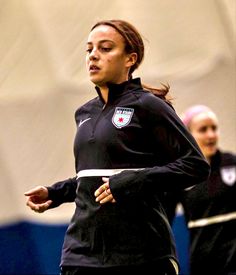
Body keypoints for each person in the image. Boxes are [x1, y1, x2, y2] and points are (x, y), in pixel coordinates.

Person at [24, 20, 210, 275]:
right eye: (89, 49)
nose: (93, 56)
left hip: (141, 254)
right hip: (81, 254)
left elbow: (196, 166)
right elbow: (91, 177)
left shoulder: (149, 106)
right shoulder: (84, 113)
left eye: (105, 48)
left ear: (130, 59)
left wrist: (133, 181)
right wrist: (55, 192)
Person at [174, 105, 236, 275]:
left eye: (214, 128)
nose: (210, 135)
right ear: (188, 136)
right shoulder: (181, 173)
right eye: (203, 130)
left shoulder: (231, 163)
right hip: (204, 262)